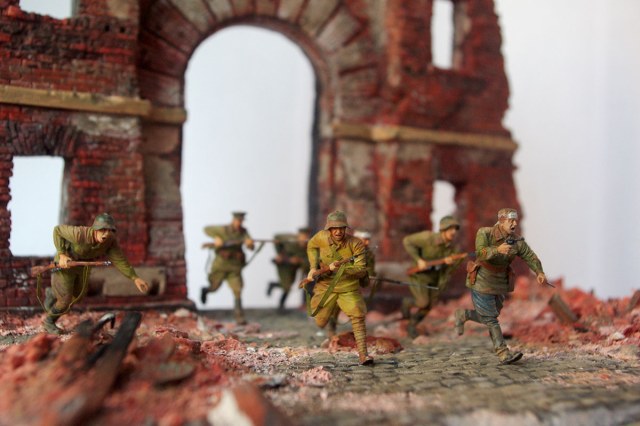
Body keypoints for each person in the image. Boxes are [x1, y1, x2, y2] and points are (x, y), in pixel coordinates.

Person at [455, 208, 546, 365]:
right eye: (511, 221)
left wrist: (539, 271)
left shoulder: (517, 241)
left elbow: (530, 256)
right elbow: (480, 253)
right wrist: (497, 250)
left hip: (500, 282)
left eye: (515, 220)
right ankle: (503, 352)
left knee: (492, 314)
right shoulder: (485, 233)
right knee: (491, 319)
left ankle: (465, 315)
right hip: (482, 279)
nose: (514, 223)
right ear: (501, 221)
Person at [42, 213, 150, 334]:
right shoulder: (80, 234)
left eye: (109, 230)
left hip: (82, 268)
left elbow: (120, 260)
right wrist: (62, 254)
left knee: (77, 296)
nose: (106, 234)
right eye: (102, 230)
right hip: (65, 265)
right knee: (65, 301)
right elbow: (57, 230)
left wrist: (135, 278)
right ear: (95, 229)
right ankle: (49, 322)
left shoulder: (109, 241)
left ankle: (53, 293)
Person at [303, 210, 373, 365]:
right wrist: (313, 267)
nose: (338, 231)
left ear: (345, 228)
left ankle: (363, 354)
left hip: (348, 287)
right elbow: (311, 246)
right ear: (329, 229)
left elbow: (361, 270)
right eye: (334, 228)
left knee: (358, 315)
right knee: (320, 322)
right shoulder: (320, 237)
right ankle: (332, 319)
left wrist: (342, 269)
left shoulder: (356, 244)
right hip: (325, 286)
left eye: (341, 228)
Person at [402, 216, 464, 338]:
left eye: (455, 229)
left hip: (435, 279)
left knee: (429, 306)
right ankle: (407, 303)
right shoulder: (428, 238)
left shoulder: (452, 249)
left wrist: (452, 262)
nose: (453, 232)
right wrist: (418, 260)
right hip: (420, 276)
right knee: (423, 303)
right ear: (443, 229)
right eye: (450, 229)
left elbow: (449, 270)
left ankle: (412, 326)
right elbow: (407, 241)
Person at [201, 211, 254, 324]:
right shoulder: (223, 230)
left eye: (241, 221)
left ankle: (239, 317)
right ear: (233, 220)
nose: (239, 223)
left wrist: (250, 244)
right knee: (214, 288)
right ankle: (206, 290)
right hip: (220, 266)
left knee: (237, 290)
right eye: (238, 221)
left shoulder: (244, 232)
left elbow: (251, 246)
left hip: (234, 267)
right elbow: (206, 229)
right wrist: (216, 238)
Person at [267, 227, 311, 313]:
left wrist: (300, 261)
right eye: (302, 236)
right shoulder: (290, 240)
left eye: (306, 236)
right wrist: (279, 253)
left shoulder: (308, 245)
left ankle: (273, 285)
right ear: (298, 235)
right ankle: (281, 306)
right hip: (285, 265)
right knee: (287, 286)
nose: (304, 239)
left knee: (289, 284)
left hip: (295, 266)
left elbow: (307, 258)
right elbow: (276, 237)